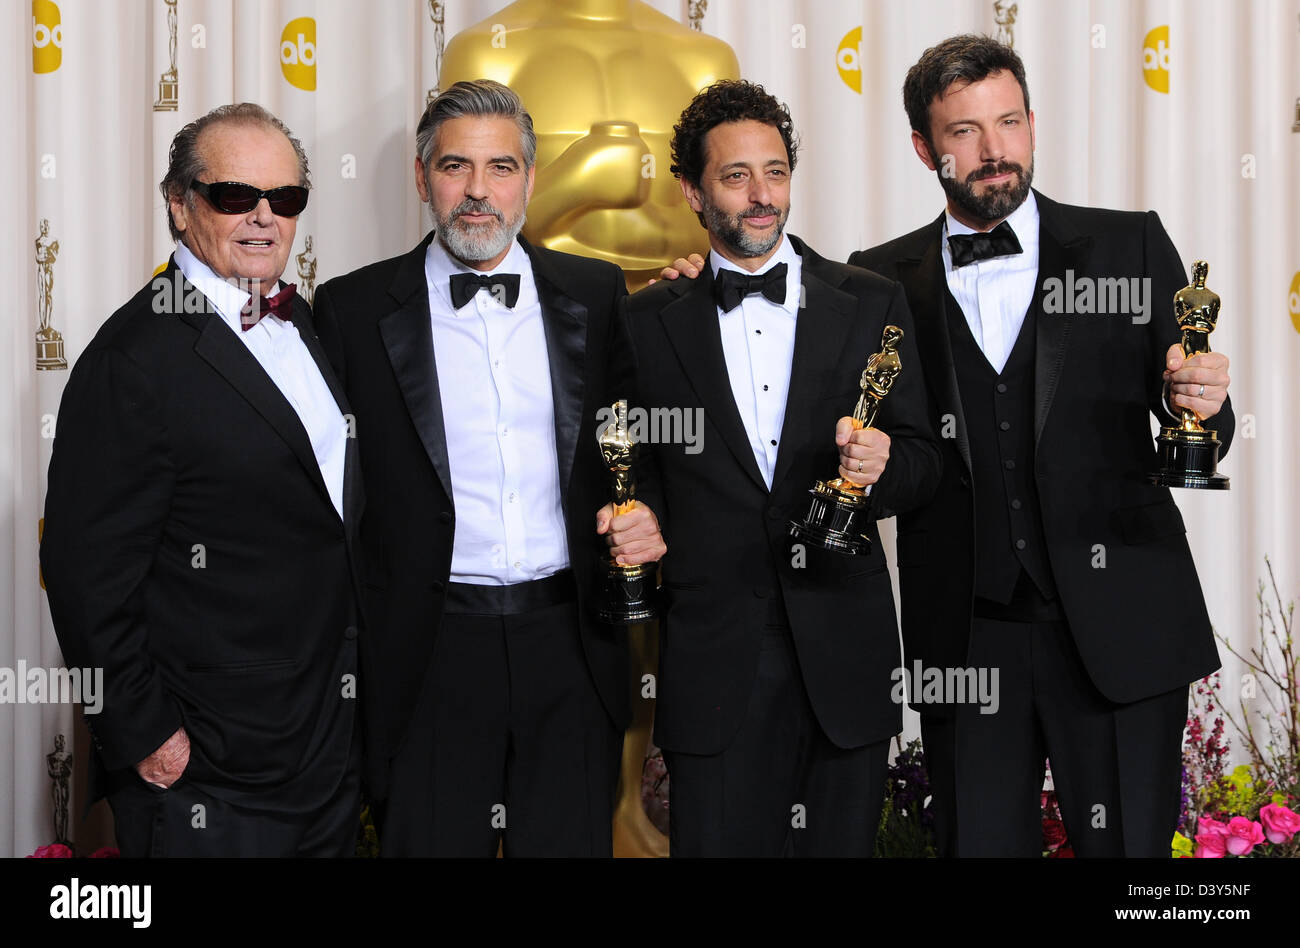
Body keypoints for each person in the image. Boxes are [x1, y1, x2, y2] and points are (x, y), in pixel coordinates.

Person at [849, 35, 1234, 856]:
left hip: (1123, 623)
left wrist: (1202, 400)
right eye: (963, 132)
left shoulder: (1127, 246)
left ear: (1032, 122)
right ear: (924, 147)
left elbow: (1198, 417)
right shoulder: (878, 281)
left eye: (1010, 121)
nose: (994, 151)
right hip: (967, 633)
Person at [312, 79, 665, 857]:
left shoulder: (596, 292)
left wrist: (646, 517)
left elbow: (634, 442)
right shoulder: (352, 309)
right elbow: (327, 497)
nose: (478, 192)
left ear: (530, 180)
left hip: (572, 643)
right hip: (428, 649)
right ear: (420, 177)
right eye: (455, 168)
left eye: (501, 168)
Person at [622, 79, 941, 856]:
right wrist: (637, 522)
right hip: (711, 665)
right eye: (736, 176)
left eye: (775, 171)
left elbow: (928, 462)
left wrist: (884, 466)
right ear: (694, 193)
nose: (761, 196)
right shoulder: (643, 322)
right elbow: (630, 472)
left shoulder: (871, 300)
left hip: (846, 661)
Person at [41, 103, 362, 857]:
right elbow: (83, 573)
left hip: (323, 748)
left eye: (284, 200)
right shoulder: (133, 358)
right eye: (233, 196)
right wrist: (146, 733)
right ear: (181, 206)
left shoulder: (302, 321)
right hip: (207, 776)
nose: (263, 217)